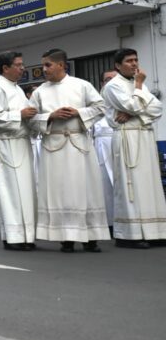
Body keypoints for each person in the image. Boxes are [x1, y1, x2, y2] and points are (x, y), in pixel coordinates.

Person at [28, 48, 109, 253]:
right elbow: (29, 120)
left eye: (48, 65)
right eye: (43, 65)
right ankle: (65, 238)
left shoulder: (82, 85)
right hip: (53, 147)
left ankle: (90, 237)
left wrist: (79, 112)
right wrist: (50, 116)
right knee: (59, 191)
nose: (44, 69)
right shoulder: (39, 92)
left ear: (62, 65)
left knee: (85, 189)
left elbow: (101, 107)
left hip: (78, 143)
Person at [101, 48, 166, 248]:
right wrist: (138, 90)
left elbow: (157, 108)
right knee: (131, 185)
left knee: (150, 184)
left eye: (136, 59)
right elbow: (135, 106)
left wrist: (134, 111)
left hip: (144, 135)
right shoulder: (113, 86)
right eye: (129, 61)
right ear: (118, 66)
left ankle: (154, 231)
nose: (135, 64)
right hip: (127, 136)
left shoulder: (138, 86)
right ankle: (129, 235)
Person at [0, 52, 38, 250]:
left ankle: (26, 235)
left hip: (21, 143)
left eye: (23, 64)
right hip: (7, 144)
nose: (23, 68)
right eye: (19, 65)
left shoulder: (18, 90)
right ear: (5, 68)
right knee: (11, 191)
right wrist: (19, 115)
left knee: (26, 190)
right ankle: (13, 237)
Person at [93, 70, 118, 235]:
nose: (110, 82)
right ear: (102, 84)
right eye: (107, 79)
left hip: (120, 142)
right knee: (104, 186)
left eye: (113, 79)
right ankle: (108, 222)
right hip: (100, 145)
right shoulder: (97, 102)